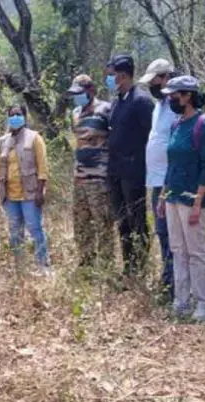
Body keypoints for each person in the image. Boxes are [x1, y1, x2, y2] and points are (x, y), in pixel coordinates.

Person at [156, 76, 205, 321]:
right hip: (173, 196)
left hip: (192, 199)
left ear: (187, 96)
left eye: (174, 95)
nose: (171, 100)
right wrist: (163, 196)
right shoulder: (176, 125)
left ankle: (203, 304)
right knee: (178, 249)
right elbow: (172, 164)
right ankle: (182, 301)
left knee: (196, 251)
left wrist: (198, 201)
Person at [106, 54, 154, 283]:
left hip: (134, 172)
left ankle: (141, 270)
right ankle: (128, 269)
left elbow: (151, 137)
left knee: (137, 221)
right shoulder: (117, 100)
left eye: (111, 74)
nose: (109, 78)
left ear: (123, 75)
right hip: (115, 171)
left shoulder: (141, 101)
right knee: (122, 222)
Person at [0, 105, 51, 274]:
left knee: (35, 229)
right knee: (15, 232)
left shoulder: (34, 138)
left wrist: (40, 191)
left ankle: (43, 265)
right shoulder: (3, 141)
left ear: (25, 117)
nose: (15, 117)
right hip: (10, 195)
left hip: (30, 194)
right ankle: (20, 268)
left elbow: (43, 167)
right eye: (12, 115)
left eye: (18, 114)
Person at [66, 74, 115, 273]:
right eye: (74, 94)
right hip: (79, 178)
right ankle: (86, 265)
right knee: (81, 224)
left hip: (99, 178)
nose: (77, 97)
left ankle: (106, 268)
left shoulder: (106, 109)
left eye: (80, 93)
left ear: (91, 90)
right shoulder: (75, 113)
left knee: (103, 224)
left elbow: (114, 139)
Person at [140, 58, 178, 302]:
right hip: (156, 181)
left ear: (165, 78)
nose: (152, 86)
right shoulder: (159, 105)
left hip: (171, 182)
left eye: (154, 80)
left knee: (172, 235)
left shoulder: (176, 106)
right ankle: (167, 280)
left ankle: (175, 285)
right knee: (162, 233)